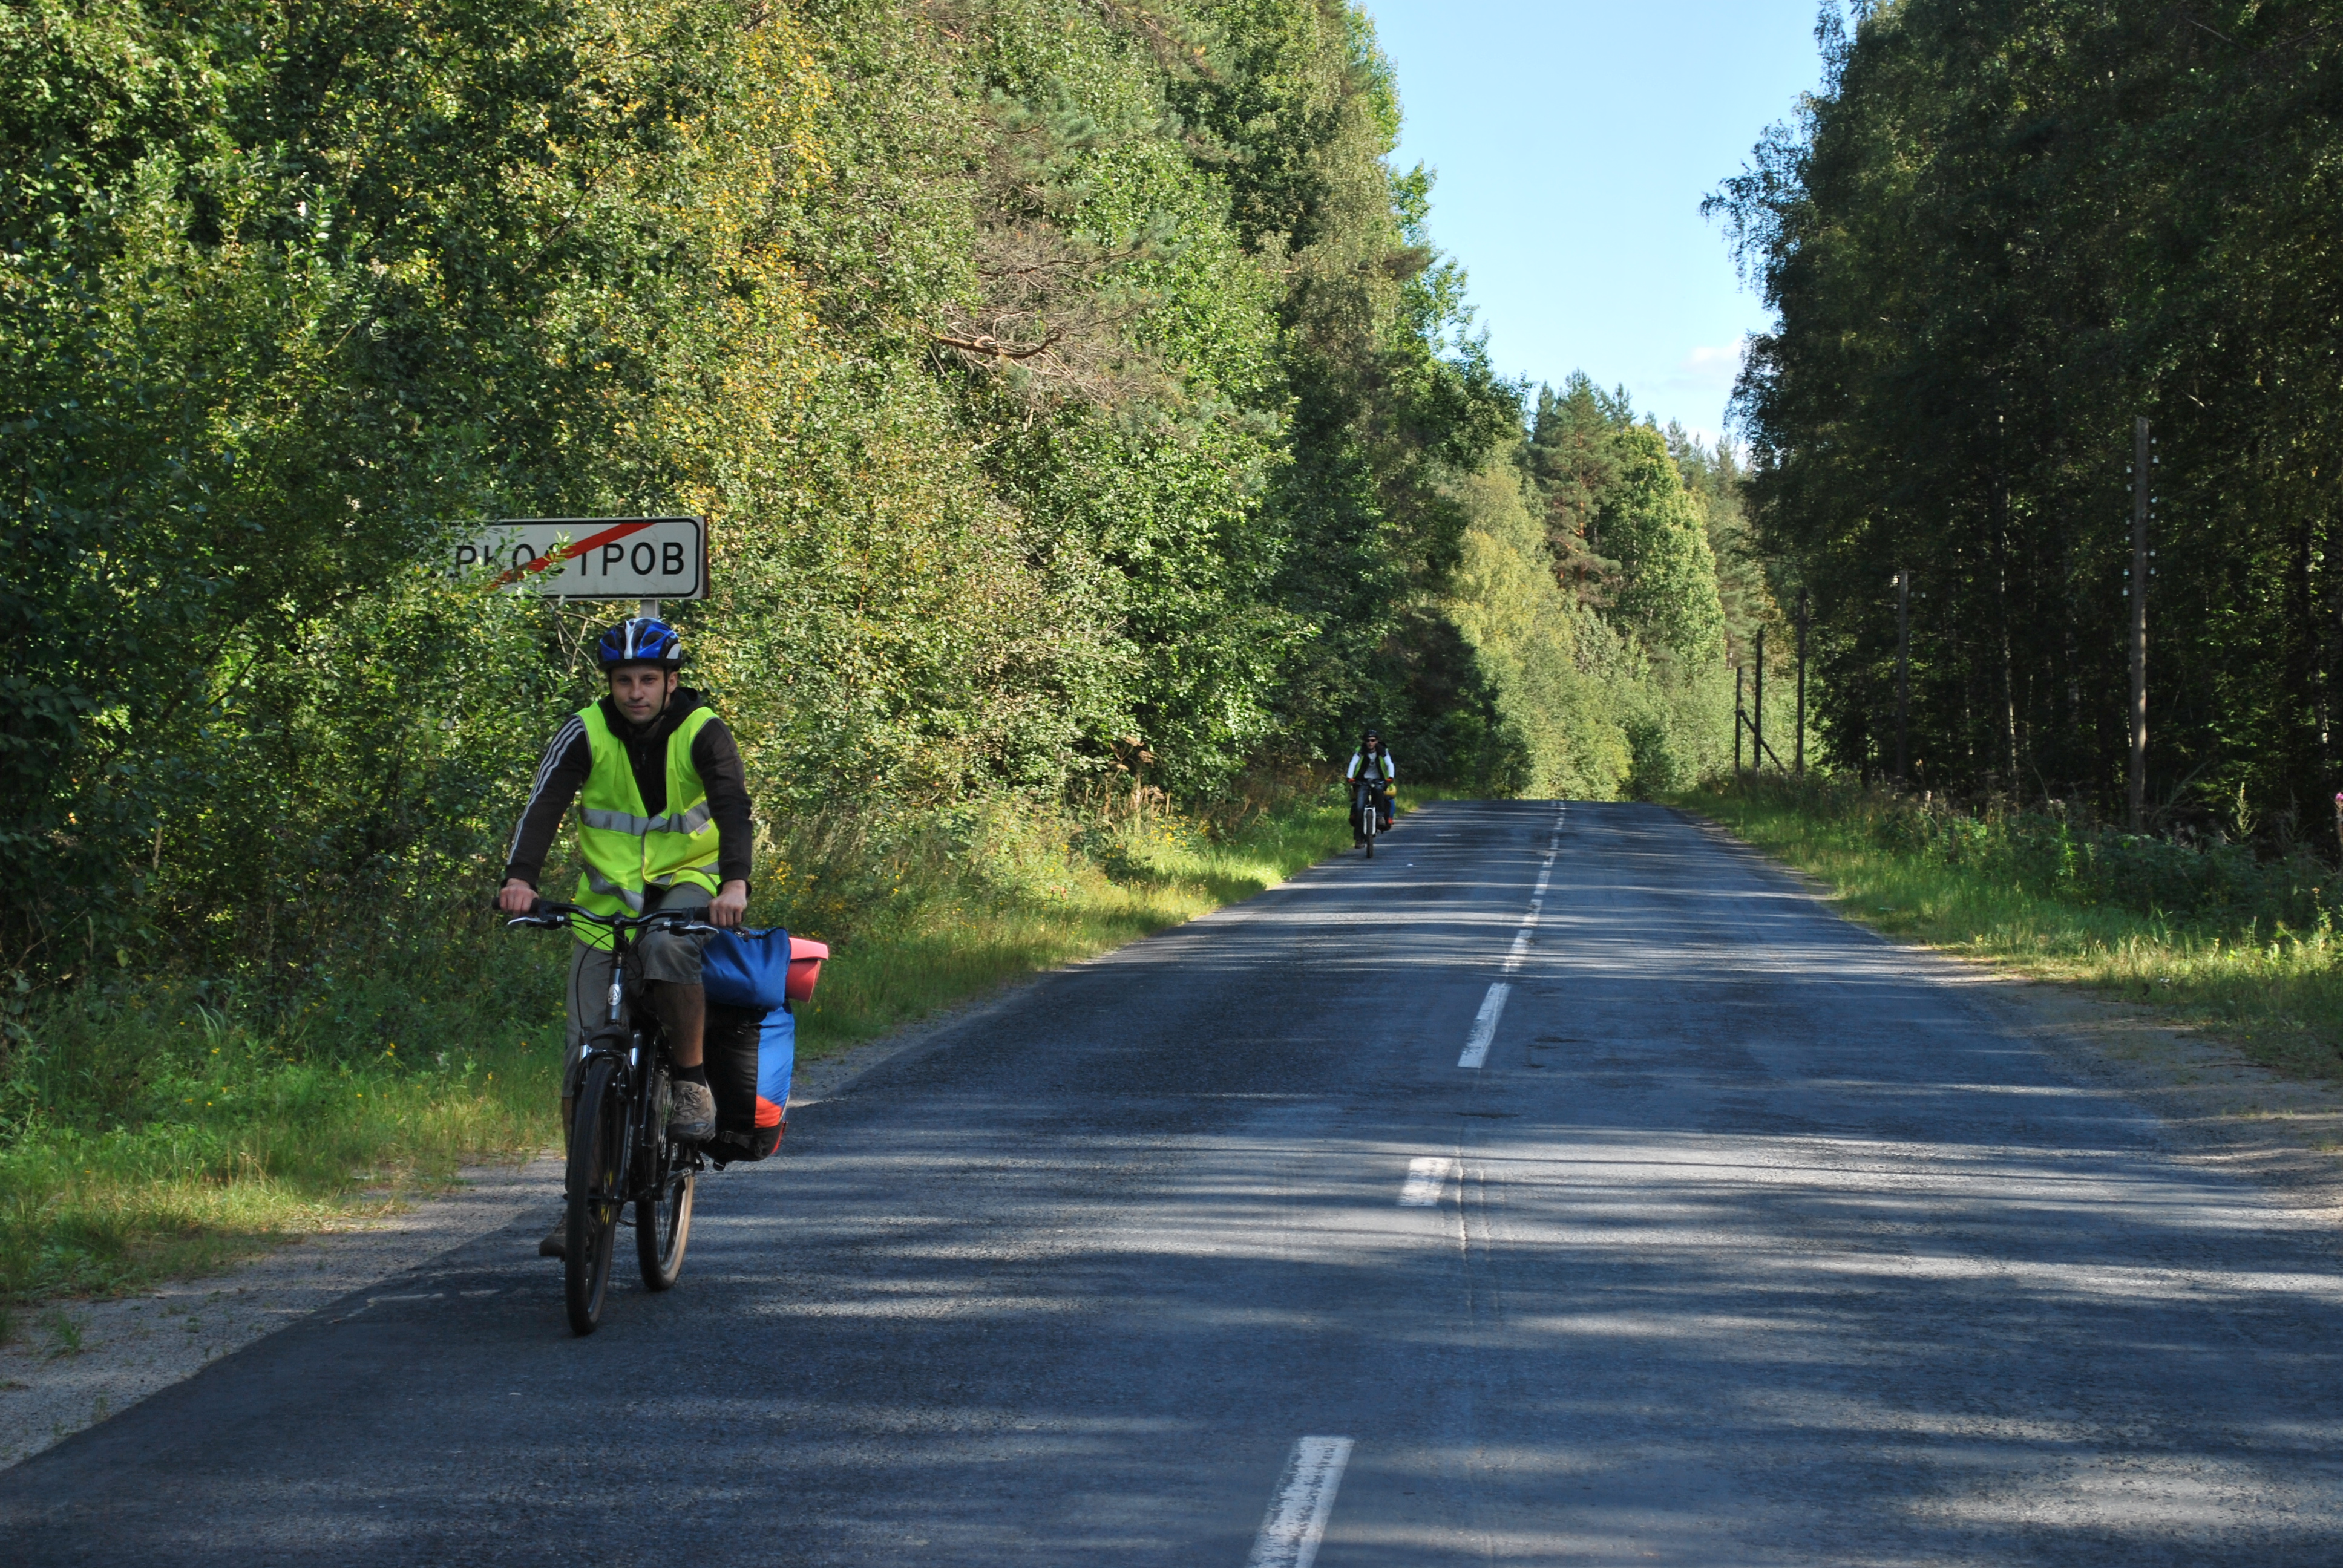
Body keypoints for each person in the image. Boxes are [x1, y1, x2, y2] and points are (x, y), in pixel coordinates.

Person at [499, 616, 753, 1259]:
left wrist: (734, 886)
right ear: (608, 684)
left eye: (647, 679)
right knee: (581, 1058)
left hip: (688, 882)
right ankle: (582, 1207)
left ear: (671, 682)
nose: (634, 691)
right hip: (604, 902)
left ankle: (691, 1082)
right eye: (622, 680)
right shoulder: (583, 731)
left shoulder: (704, 731)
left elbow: (731, 807)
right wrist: (520, 880)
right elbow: (544, 804)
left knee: (668, 949)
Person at [1345, 730, 1397, 843]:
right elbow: (1353, 763)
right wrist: (1350, 777)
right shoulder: (1361, 751)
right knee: (1359, 808)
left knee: (1379, 791)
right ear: (1365, 742)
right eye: (1368, 741)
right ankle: (1359, 838)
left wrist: (1391, 777)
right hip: (1362, 781)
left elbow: (1389, 764)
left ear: (1377, 741)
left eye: (1373, 740)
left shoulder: (1383, 751)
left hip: (1379, 780)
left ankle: (1380, 817)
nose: (1370, 743)